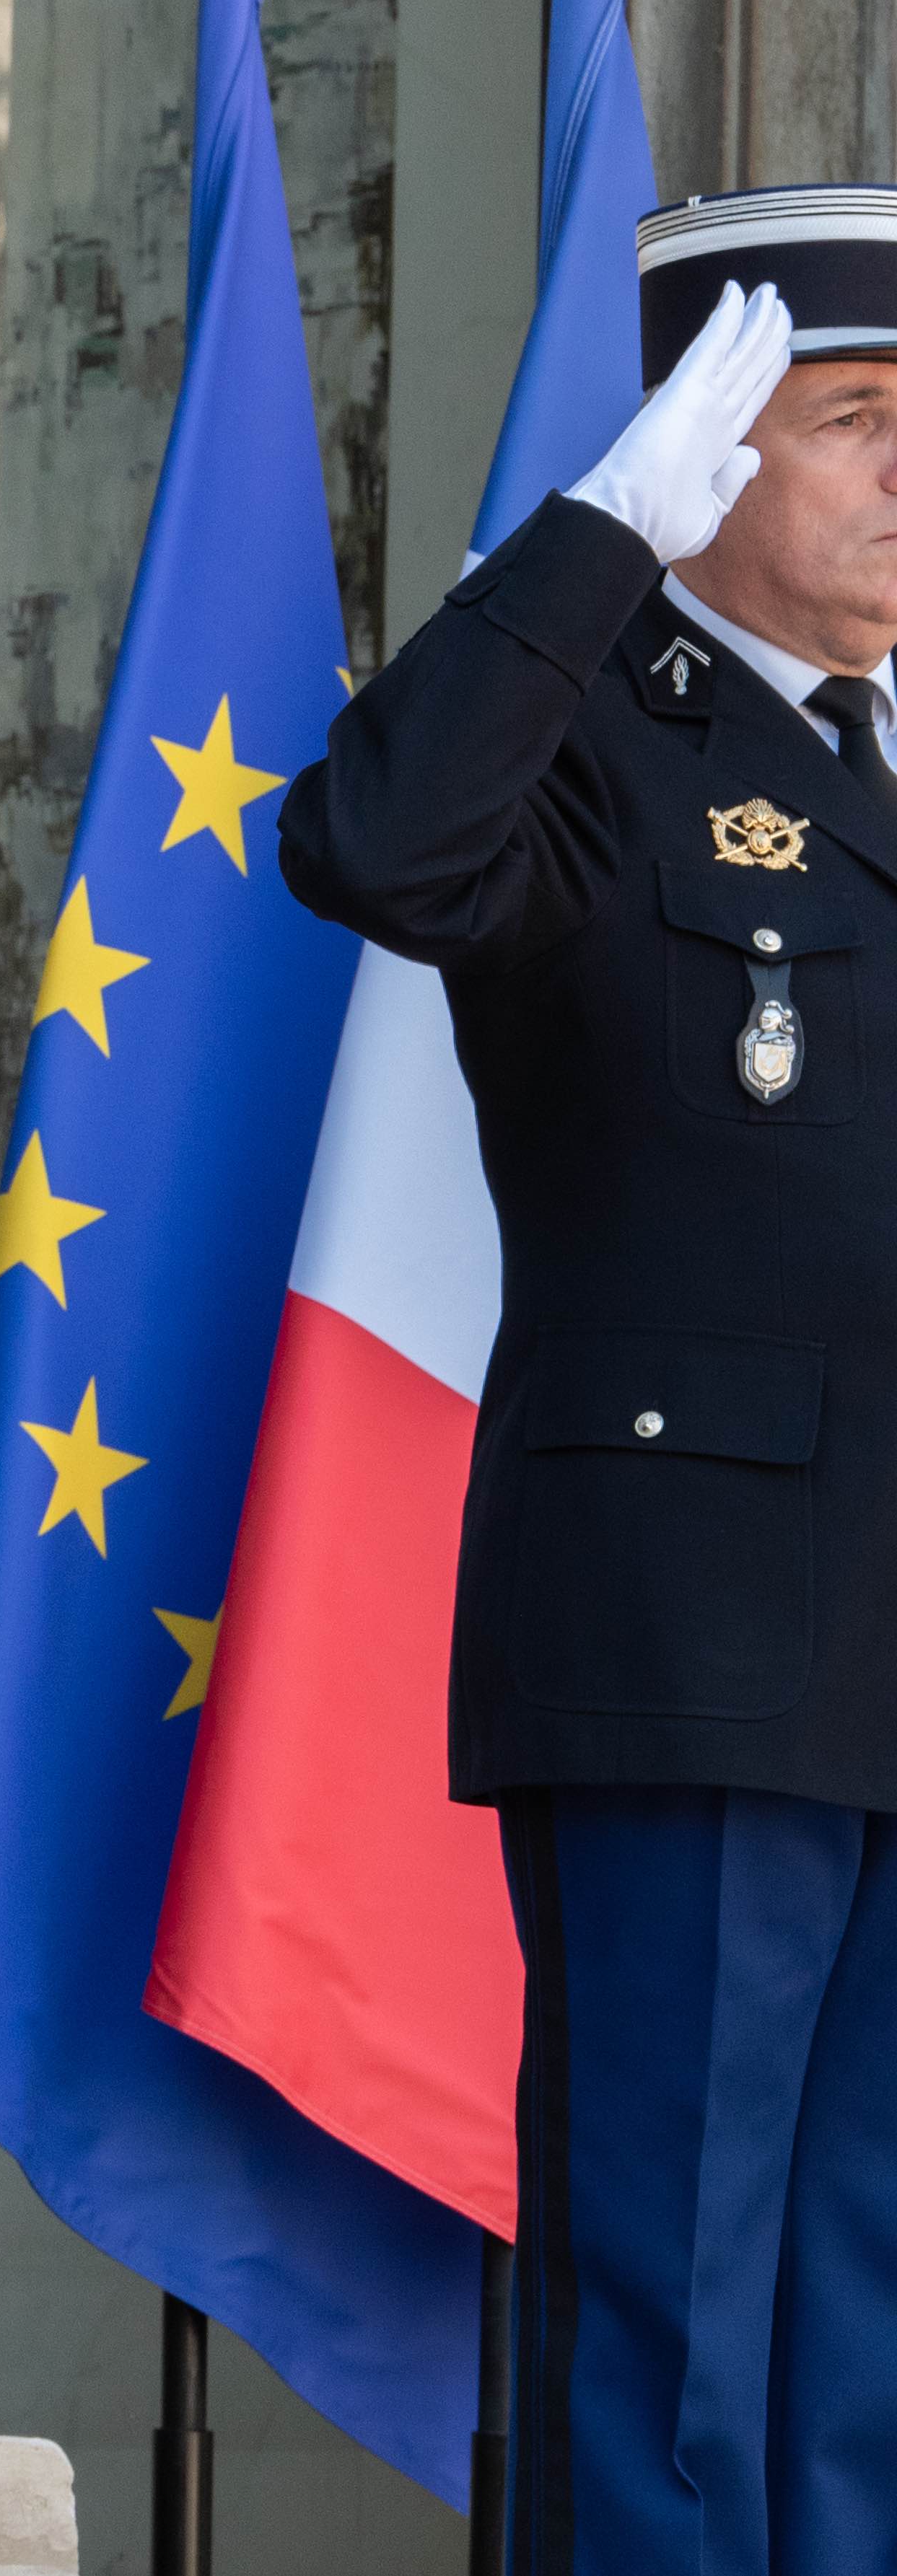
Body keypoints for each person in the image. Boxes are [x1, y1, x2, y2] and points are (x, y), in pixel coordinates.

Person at [285, 190, 897, 2576]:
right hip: (688, 1632)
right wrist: (588, 549)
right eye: (852, 423)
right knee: (662, 2314)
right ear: (708, 453)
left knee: (859, 2319)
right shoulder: (586, 749)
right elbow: (372, 832)